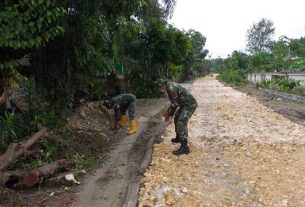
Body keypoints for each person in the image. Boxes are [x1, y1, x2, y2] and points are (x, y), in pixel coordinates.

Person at [155, 79, 197, 155]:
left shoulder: (170, 88)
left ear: (162, 85)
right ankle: (179, 137)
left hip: (190, 105)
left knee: (181, 121)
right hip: (184, 104)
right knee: (177, 117)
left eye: (159, 86)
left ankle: (185, 147)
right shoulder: (169, 86)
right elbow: (174, 103)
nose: (159, 88)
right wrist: (168, 114)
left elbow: (175, 104)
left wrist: (169, 115)